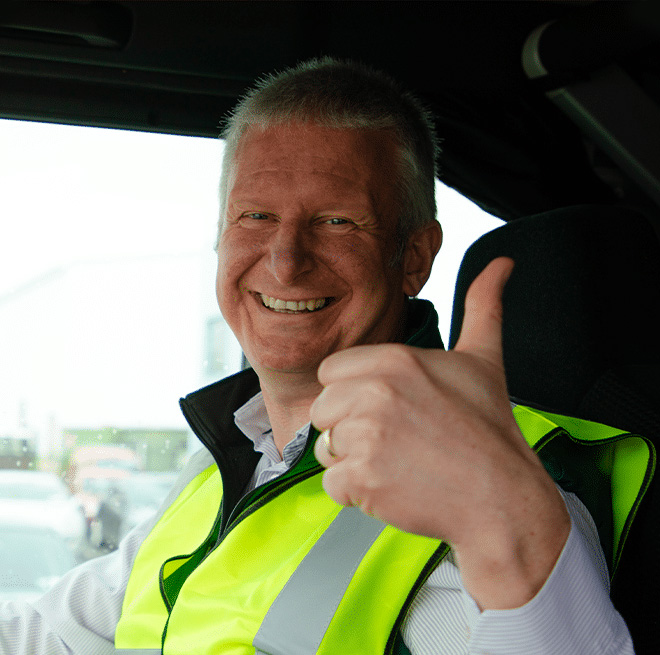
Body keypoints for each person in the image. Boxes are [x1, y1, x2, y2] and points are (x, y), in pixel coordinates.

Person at [0, 58, 642, 654]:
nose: (285, 260)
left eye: (337, 222)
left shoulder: (486, 482)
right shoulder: (223, 470)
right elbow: (45, 634)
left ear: (414, 257)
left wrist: (505, 526)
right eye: (254, 216)